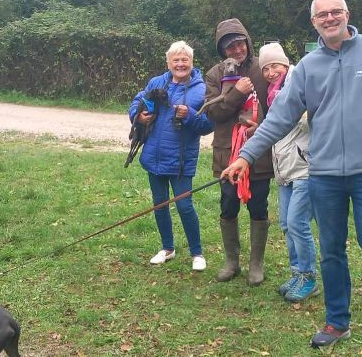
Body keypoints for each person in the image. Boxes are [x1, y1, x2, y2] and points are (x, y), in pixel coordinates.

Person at [221, 0, 362, 357]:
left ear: (347, 15)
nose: (330, 17)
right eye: (323, 14)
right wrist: (245, 155)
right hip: (323, 175)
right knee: (332, 253)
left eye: (336, 11)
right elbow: (280, 116)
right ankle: (337, 321)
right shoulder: (307, 67)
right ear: (314, 22)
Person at [129, 41, 215, 271]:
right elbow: (137, 102)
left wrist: (188, 116)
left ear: (191, 62)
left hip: (181, 160)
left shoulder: (201, 88)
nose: (180, 64)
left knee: (184, 205)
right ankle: (167, 248)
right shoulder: (157, 82)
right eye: (175, 60)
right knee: (159, 205)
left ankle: (197, 253)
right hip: (154, 156)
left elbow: (208, 125)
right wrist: (139, 117)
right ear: (168, 62)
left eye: (184, 60)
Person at [202, 18, 273, 286]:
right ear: (223, 51)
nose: (236, 50)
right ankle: (232, 261)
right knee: (228, 204)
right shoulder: (214, 74)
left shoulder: (262, 69)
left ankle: (256, 264)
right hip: (227, 154)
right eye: (229, 46)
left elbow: (278, 105)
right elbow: (213, 112)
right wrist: (236, 93)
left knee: (258, 205)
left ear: (247, 42)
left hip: (259, 154)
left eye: (239, 43)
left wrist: (262, 126)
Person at [257, 43, 319, 303]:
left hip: (305, 167)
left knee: (298, 223)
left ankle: (309, 277)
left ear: (286, 64)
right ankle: (297, 272)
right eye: (266, 68)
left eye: (275, 66)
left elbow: (313, 115)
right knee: (285, 224)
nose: (271, 72)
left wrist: (305, 114)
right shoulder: (273, 93)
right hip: (283, 167)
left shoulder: (299, 81)